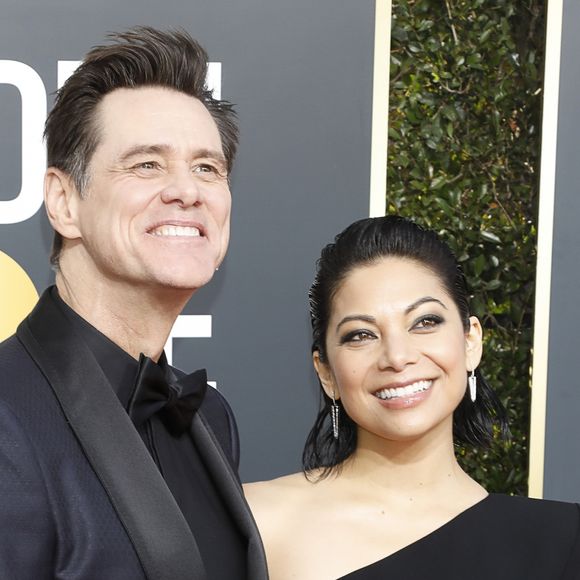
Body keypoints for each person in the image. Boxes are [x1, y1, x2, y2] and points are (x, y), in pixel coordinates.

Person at [0, 27, 267, 580]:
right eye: (147, 164)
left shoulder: (211, 420)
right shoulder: (6, 413)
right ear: (63, 202)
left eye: (207, 167)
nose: (187, 190)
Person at [245, 215, 580, 580]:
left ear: (471, 341)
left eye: (424, 322)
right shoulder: (258, 522)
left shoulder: (559, 542)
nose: (397, 357)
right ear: (326, 372)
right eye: (361, 335)